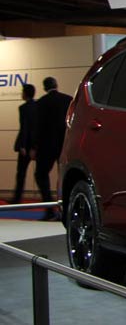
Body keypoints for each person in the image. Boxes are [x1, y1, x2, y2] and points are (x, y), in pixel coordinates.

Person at [35, 76, 73, 220]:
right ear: (56, 85)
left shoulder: (41, 103)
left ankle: (49, 208)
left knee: (41, 175)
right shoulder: (68, 100)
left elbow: (38, 127)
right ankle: (65, 212)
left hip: (46, 146)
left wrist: (35, 146)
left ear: (45, 88)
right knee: (65, 178)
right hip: (65, 144)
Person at [9, 84, 37, 205]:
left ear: (25, 93)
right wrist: (35, 146)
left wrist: (23, 146)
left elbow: (25, 128)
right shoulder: (38, 106)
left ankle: (17, 199)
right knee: (40, 175)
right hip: (37, 145)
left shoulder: (23, 108)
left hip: (26, 146)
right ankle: (47, 201)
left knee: (21, 173)